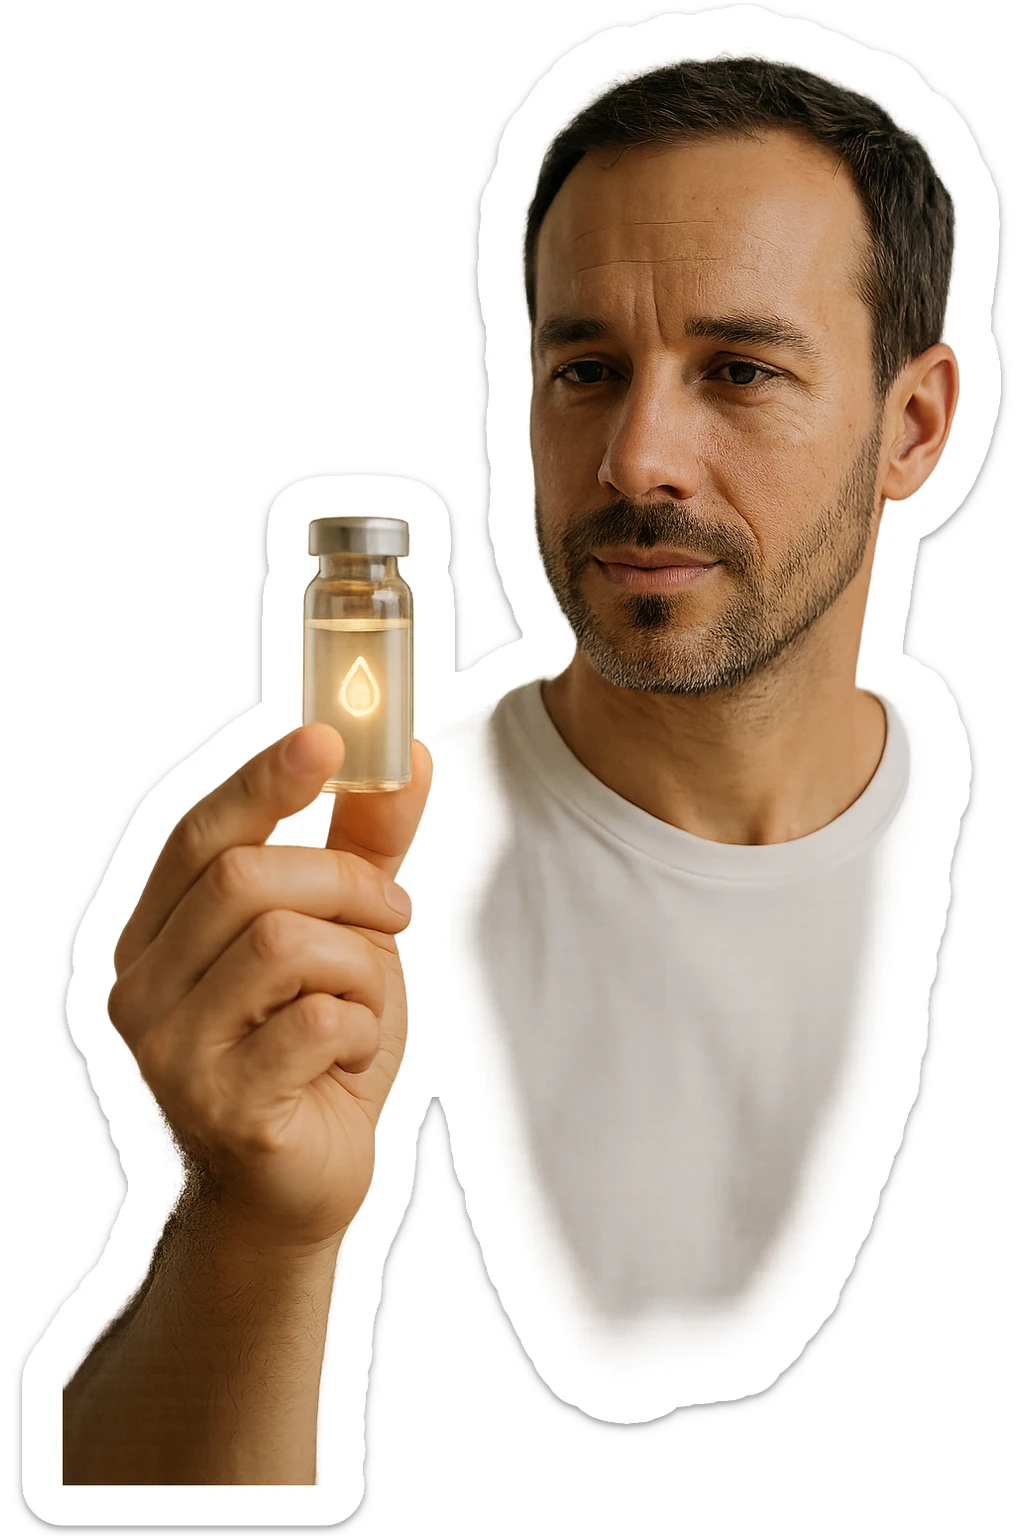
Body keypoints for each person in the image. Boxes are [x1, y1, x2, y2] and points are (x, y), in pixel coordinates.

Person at [55, 48, 976, 1495]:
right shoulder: (309, 886)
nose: (636, 455)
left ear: (912, 425)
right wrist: (250, 1222)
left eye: (738, 370)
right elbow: (115, 1495)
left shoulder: (973, 834)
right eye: (586, 371)